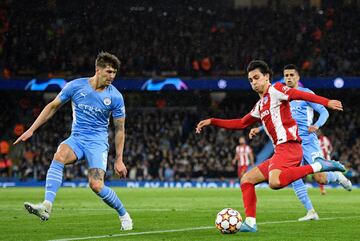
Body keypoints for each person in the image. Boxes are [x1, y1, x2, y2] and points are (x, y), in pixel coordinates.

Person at [196, 60, 345, 232]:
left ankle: (319, 165)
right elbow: (241, 123)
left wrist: (326, 102)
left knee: (275, 182)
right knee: (247, 180)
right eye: (250, 80)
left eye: (257, 77)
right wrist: (212, 121)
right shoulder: (260, 105)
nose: (254, 82)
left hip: (290, 146)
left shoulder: (276, 90)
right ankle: (251, 223)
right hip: (280, 151)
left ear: (267, 77)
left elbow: (300, 95)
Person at [13, 52, 133, 230]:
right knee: (60, 154)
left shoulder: (115, 97)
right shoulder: (76, 86)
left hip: (97, 143)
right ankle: (46, 206)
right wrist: (31, 129)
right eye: (108, 71)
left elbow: (120, 129)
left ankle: (124, 215)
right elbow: (52, 106)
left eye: (114, 72)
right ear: (97, 70)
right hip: (77, 138)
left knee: (96, 185)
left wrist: (119, 159)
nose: (112, 76)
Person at [249, 64, 352, 221]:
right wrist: (259, 129)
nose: (288, 78)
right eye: (286, 75)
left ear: (298, 77)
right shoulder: (280, 95)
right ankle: (311, 211)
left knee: (320, 179)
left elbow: (324, 111)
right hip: (289, 143)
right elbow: (274, 119)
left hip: (307, 141)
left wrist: (316, 125)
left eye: (291, 75)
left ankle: (337, 176)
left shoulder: (305, 93)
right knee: (293, 178)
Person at [317, 129, 335, 194]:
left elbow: (330, 147)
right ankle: (322, 189)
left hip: (326, 159)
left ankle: (324, 188)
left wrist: (328, 153)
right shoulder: (317, 140)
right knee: (320, 174)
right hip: (321, 159)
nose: (317, 133)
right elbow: (331, 147)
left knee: (325, 174)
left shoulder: (323, 139)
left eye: (318, 132)